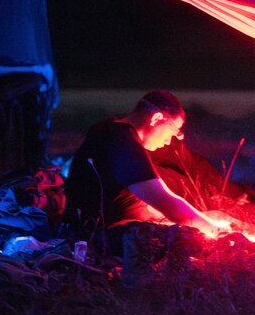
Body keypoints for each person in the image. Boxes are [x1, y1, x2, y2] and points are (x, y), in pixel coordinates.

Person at [64, 90, 228, 247]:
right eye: (173, 130)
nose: (169, 141)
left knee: (202, 223)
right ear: (157, 118)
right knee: (194, 240)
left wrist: (202, 219)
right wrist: (216, 230)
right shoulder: (120, 140)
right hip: (102, 237)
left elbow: (137, 202)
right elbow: (165, 201)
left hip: (111, 231)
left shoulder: (112, 131)